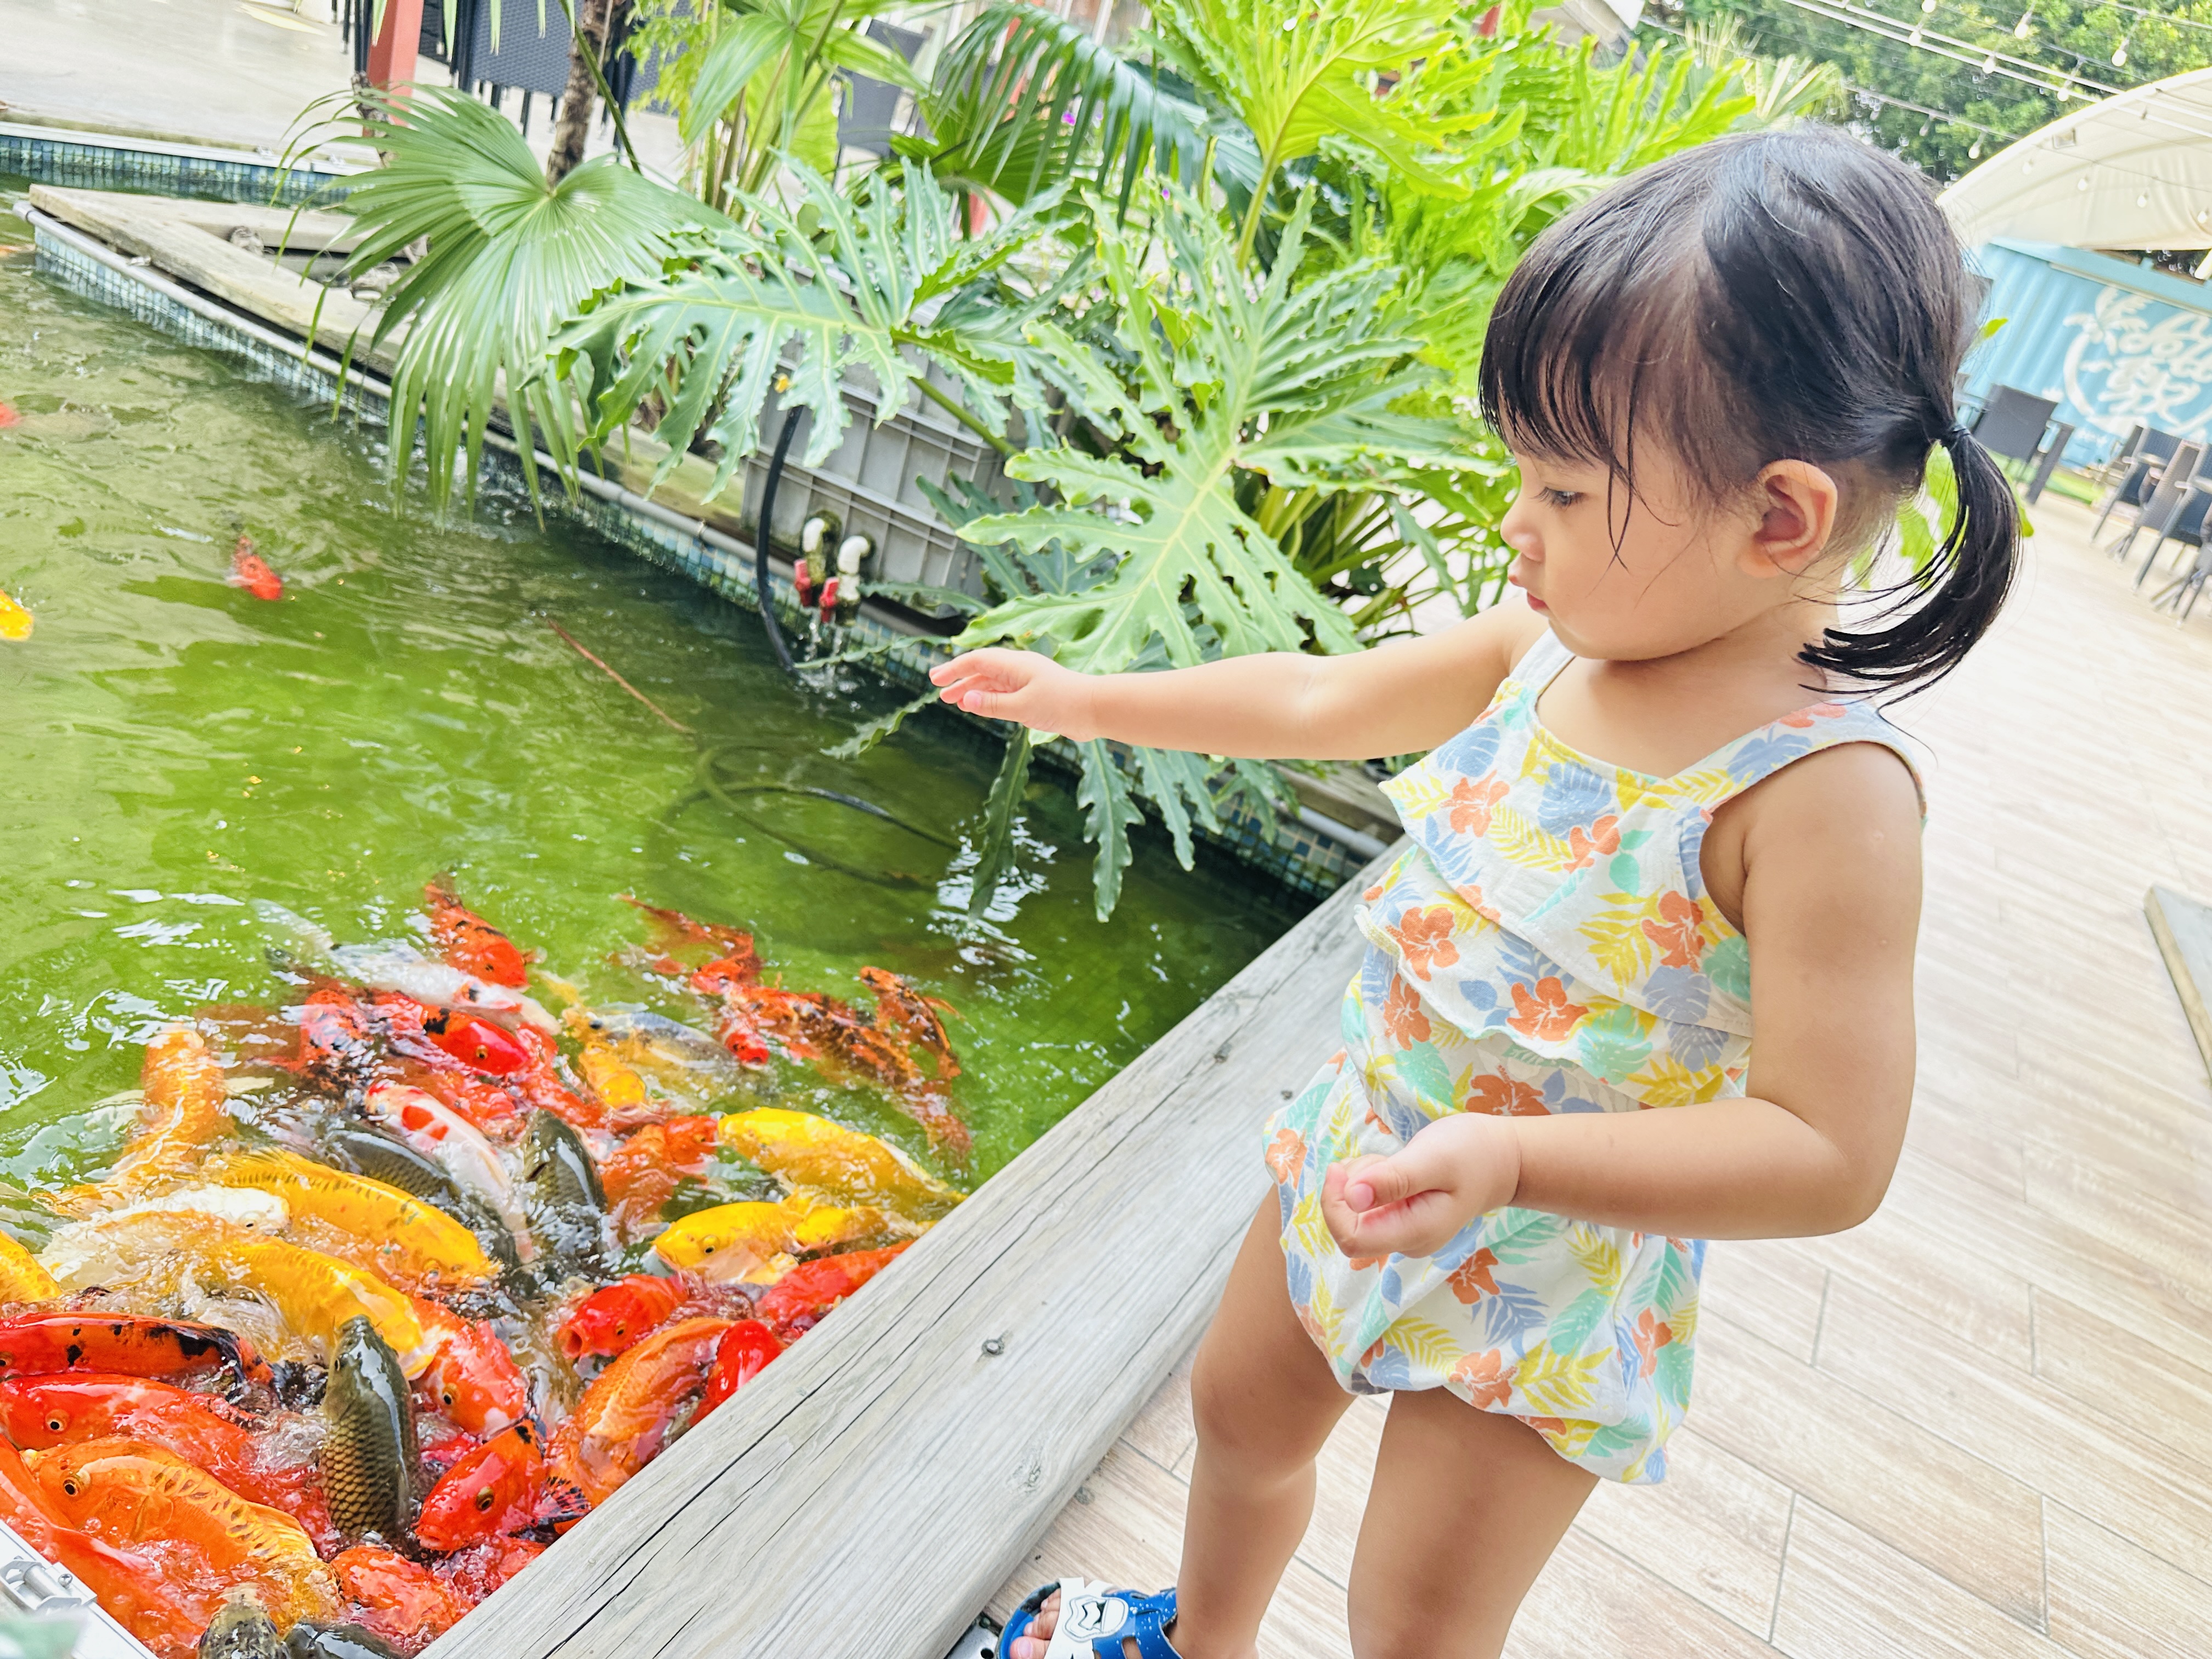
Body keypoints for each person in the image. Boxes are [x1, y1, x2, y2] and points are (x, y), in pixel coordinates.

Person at [929, 126, 2018, 1659]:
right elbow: (1320, 699)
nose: (1518, 519)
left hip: (1550, 1266)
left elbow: (1829, 1150)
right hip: (1363, 1142)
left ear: (1779, 518)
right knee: (1239, 1423)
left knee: (1419, 1618)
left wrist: (1514, 1168)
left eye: (1565, 491)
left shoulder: (1822, 792)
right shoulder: (1549, 651)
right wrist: (1097, 699)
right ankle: (1202, 1646)